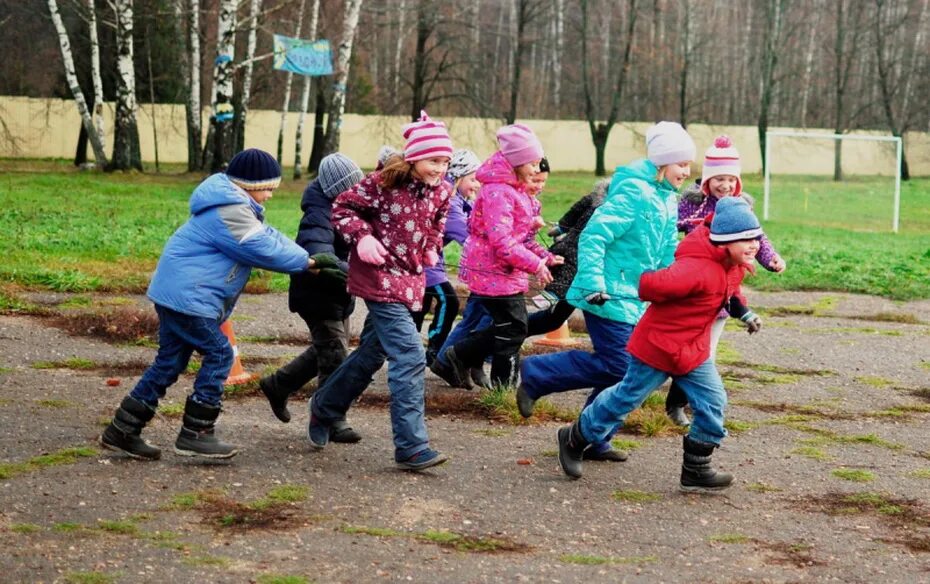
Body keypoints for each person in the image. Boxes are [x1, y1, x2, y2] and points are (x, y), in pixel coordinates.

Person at [100, 149, 315, 461]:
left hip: (178, 296)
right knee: (220, 352)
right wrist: (305, 263)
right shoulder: (228, 211)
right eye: (268, 188)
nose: (270, 195)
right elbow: (260, 247)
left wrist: (306, 257)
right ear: (248, 185)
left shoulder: (234, 206)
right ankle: (196, 432)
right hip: (190, 299)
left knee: (170, 363)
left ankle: (123, 429)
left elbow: (270, 236)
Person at [556, 196, 765, 493]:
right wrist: (611, 288)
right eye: (746, 239)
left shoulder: (733, 266)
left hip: (692, 350)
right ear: (724, 241)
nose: (754, 244)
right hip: (659, 347)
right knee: (625, 398)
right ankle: (575, 437)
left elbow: (729, 294)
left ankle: (696, 469)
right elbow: (650, 284)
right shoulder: (694, 269)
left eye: (755, 237)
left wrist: (745, 313)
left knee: (713, 401)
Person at [517, 121, 696, 462]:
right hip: (605, 295)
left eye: (689, 164)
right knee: (619, 366)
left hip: (637, 300)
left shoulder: (667, 200)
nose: (686, 172)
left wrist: (672, 285)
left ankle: (594, 437)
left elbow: (663, 253)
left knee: (629, 372)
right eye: (681, 164)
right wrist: (595, 282)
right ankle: (537, 375)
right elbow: (594, 236)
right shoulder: (634, 192)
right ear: (661, 162)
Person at [307, 111, 453, 471]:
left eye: (446, 162)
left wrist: (432, 245)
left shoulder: (443, 191)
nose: (440, 169)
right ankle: (411, 446)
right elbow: (342, 209)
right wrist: (363, 237)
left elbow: (438, 223)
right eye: (434, 161)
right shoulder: (383, 182)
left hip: (411, 282)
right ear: (415, 157)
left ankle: (323, 407)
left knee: (372, 353)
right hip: (377, 279)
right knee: (409, 355)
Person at [664, 135, 785, 427]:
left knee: (705, 352)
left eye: (731, 179)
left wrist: (770, 259)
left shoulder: (741, 208)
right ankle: (643, 386)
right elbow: (669, 230)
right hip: (690, 287)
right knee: (677, 347)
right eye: (719, 178)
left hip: (722, 294)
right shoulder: (690, 206)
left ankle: (679, 403)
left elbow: (757, 237)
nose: (725, 185)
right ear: (707, 180)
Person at [438, 125, 562, 389]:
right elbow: (502, 241)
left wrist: (545, 256)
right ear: (517, 161)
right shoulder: (498, 192)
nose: (536, 167)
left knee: (511, 326)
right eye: (532, 162)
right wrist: (535, 264)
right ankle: (489, 377)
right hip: (491, 270)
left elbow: (523, 237)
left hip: (507, 271)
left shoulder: (518, 191)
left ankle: (459, 358)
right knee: (514, 326)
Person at [258, 153, 365, 444]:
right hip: (317, 295)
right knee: (336, 356)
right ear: (336, 190)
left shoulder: (347, 206)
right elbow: (320, 253)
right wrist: (350, 273)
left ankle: (278, 384)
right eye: (350, 188)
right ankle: (332, 418)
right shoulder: (318, 215)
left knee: (325, 349)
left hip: (339, 293)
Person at [412, 149, 482, 366]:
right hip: (424, 259)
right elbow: (468, 236)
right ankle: (434, 349)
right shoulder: (451, 203)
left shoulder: (458, 199)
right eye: (472, 179)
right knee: (448, 301)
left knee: (420, 305)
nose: (477, 185)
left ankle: (407, 347)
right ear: (458, 177)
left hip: (429, 257)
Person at [526, 173, 609, 337]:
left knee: (554, 318)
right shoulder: (611, 202)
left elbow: (575, 210)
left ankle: (493, 341)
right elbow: (577, 210)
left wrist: (562, 227)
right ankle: (549, 295)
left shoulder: (604, 195)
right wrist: (562, 227)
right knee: (567, 275)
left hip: (569, 246)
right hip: (576, 252)